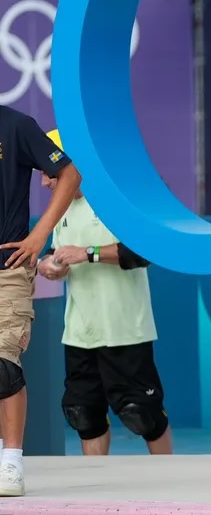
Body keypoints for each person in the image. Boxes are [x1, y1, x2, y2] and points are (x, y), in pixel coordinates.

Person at [36, 130, 172, 458]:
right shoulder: (61, 210)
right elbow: (54, 255)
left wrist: (88, 253)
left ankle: (171, 481)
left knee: (143, 415)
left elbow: (143, 252)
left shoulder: (115, 203)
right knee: (84, 415)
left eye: (47, 171)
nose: (44, 182)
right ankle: (95, 490)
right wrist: (49, 266)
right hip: (80, 334)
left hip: (125, 329)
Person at [0, 108, 80, 497]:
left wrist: (39, 234)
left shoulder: (16, 126)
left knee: (4, 365)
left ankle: (12, 462)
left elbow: (69, 173)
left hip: (7, 268)